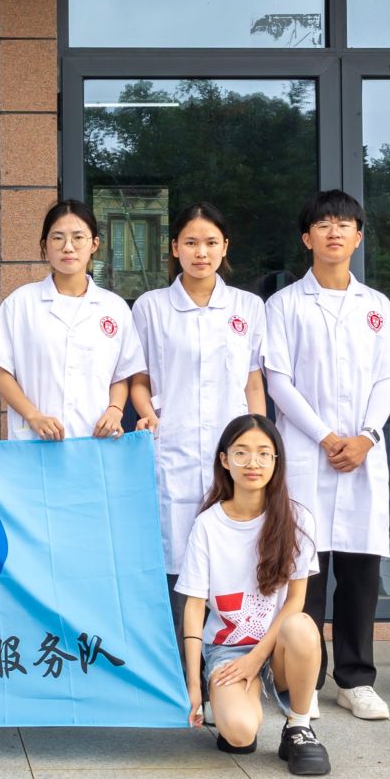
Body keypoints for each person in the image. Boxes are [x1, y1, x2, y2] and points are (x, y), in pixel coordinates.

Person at [262, 190, 390, 722]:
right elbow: (279, 381)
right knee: (307, 571)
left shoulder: (377, 306)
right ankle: (306, 679)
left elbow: (387, 378)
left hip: (362, 455)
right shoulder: (284, 305)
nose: (334, 232)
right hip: (306, 452)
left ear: (358, 237)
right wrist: (325, 437)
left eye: (345, 224)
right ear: (307, 238)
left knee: (361, 572)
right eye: (323, 225)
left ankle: (356, 679)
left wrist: (365, 437)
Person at [130, 202, 266, 627]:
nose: (201, 252)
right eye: (190, 242)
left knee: (233, 553)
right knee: (176, 556)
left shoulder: (247, 307)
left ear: (225, 247)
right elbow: (139, 379)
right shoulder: (151, 307)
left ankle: (229, 653)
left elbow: (253, 384)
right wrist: (149, 415)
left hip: (233, 452)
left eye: (210, 242)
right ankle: (179, 655)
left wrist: (259, 442)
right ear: (175, 247)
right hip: (173, 447)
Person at [177, 415, 329, 775]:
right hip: (228, 650)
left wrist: (257, 657)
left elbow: (295, 600)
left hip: (277, 645)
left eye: (263, 453)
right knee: (240, 733)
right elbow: (194, 607)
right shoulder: (208, 525)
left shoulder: (297, 519)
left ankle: (298, 727)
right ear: (224, 460)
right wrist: (194, 685)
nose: (253, 463)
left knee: (302, 626)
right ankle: (233, 703)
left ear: (276, 461)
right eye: (241, 453)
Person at [0, 200, 143, 441]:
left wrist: (115, 410)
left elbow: (121, 374)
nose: (68, 247)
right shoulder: (19, 303)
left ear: (94, 244)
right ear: (45, 245)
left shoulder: (114, 308)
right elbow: (1, 372)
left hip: (94, 437)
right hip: (34, 440)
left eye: (78, 238)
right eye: (58, 238)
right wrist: (33, 416)